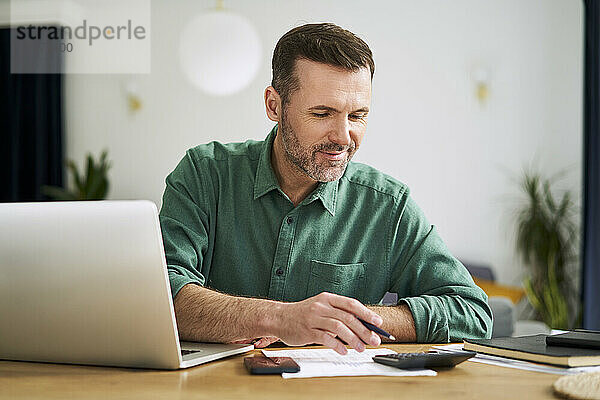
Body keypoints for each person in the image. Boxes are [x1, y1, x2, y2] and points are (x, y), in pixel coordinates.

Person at [159, 23, 492, 355]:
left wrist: (344, 321)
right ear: (274, 106)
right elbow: (162, 296)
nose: (343, 137)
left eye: (357, 116)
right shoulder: (204, 175)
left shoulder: (388, 206)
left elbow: (472, 312)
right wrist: (279, 318)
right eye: (322, 113)